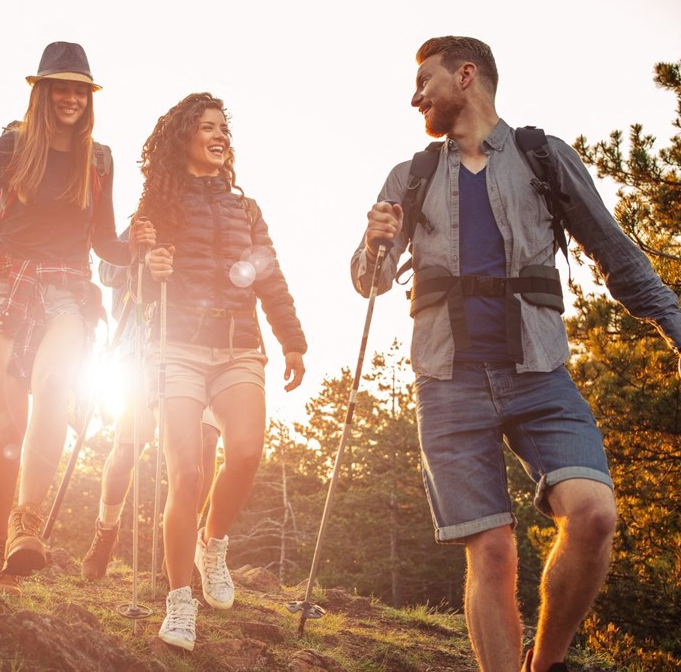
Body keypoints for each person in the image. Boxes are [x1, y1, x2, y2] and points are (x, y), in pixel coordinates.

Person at [350, 36, 681, 672]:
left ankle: (546, 662)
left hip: (538, 373)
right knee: (494, 553)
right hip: (448, 381)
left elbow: (616, 254)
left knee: (592, 518)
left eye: (426, 80)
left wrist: (674, 324)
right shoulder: (411, 175)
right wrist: (373, 244)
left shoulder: (542, 158)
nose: (415, 94)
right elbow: (371, 281)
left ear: (466, 75)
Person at [0, 42, 154, 595]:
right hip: (3, 283)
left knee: (57, 384)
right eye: (61, 87)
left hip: (67, 287)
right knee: (7, 426)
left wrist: (140, 248)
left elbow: (105, 242)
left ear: (89, 97)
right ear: (41, 92)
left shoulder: (99, 159)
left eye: (80, 89)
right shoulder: (12, 146)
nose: (71, 97)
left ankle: (25, 525)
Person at [142, 93, 307, 650]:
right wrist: (149, 266)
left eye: (223, 128)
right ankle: (179, 602)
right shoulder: (157, 204)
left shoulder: (247, 210)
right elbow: (128, 284)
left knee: (245, 452)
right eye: (207, 127)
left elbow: (270, 277)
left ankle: (212, 544)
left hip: (239, 346)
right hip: (178, 349)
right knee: (186, 474)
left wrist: (293, 341)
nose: (219, 136)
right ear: (183, 136)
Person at [80, 254, 221, 581]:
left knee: (206, 443)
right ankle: (106, 531)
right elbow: (107, 269)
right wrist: (142, 253)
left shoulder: (210, 214)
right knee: (126, 450)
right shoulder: (143, 221)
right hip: (141, 354)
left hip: (200, 350)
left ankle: (180, 546)